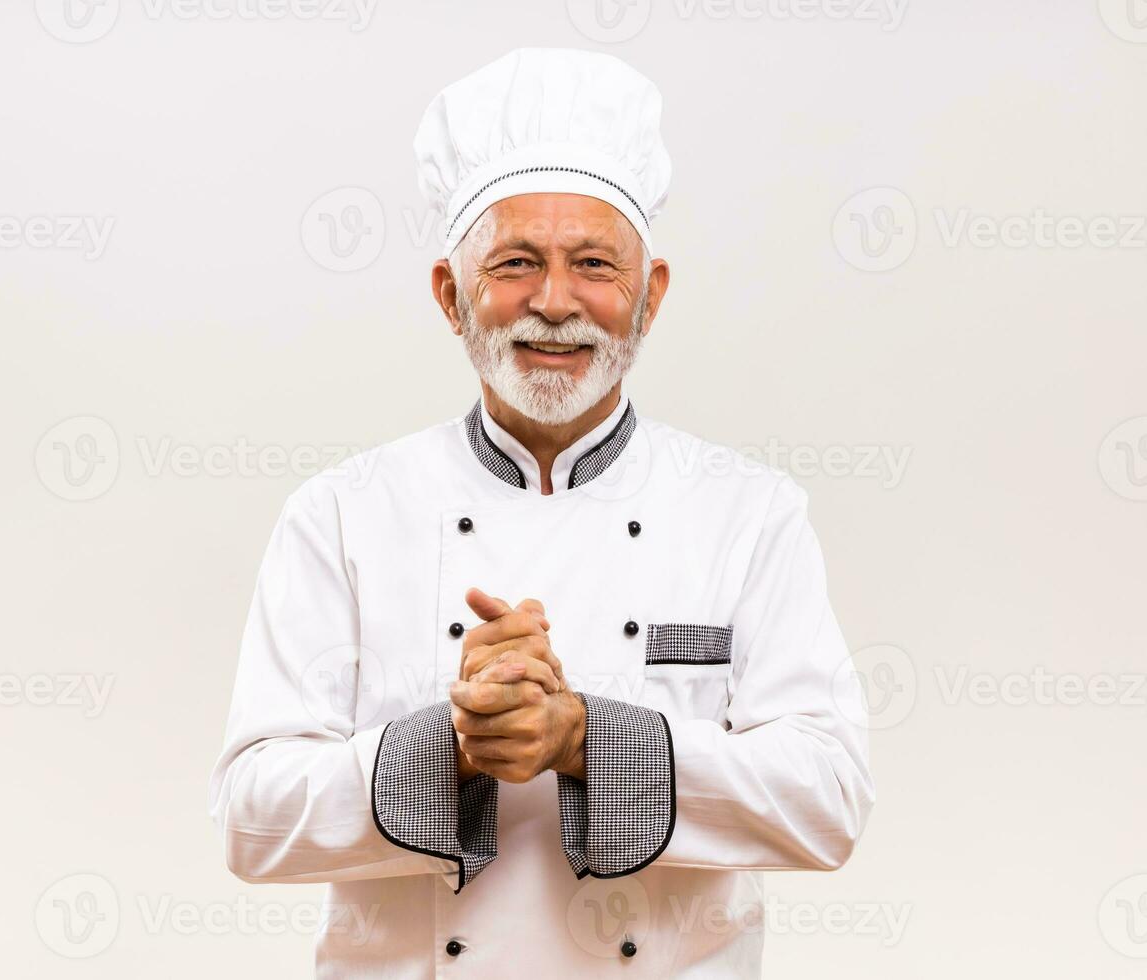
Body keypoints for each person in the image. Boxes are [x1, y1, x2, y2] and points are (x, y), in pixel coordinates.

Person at [208, 47, 875, 977]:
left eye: (595, 264)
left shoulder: (750, 514)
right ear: (451, 295)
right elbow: (250, 818)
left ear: (650, 296)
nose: (556, 302)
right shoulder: (341, 516)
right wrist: (450, 746)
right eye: (516, 263)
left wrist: (588, 739)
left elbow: (830, 800)